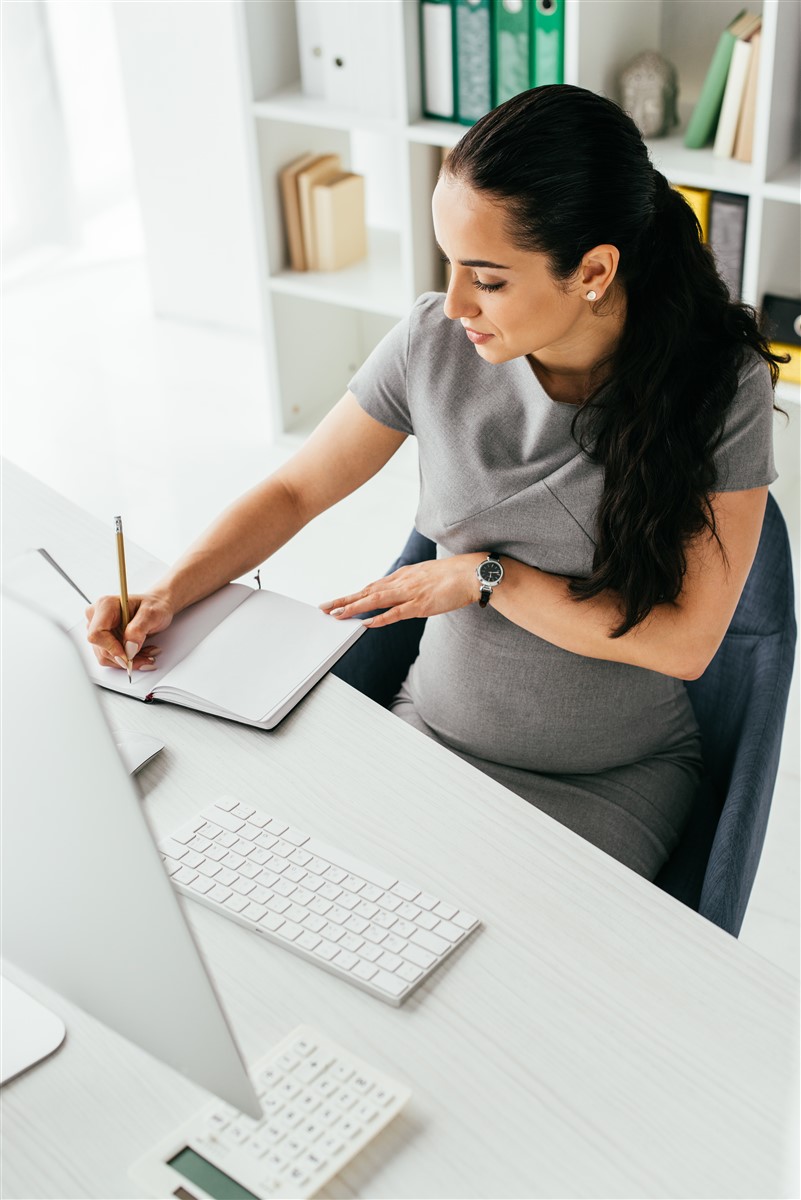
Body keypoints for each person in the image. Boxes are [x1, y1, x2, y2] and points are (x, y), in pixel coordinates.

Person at [86, 86, 784, 882]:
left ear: (591, 270)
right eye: (449, 265)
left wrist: (488, 579)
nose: (453, 304)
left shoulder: (717, 387)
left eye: (486, 278)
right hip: (427, 738)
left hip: (605, 782)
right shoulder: (434, 340)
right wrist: (169, 593)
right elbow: (295, 492)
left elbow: (686, 642)